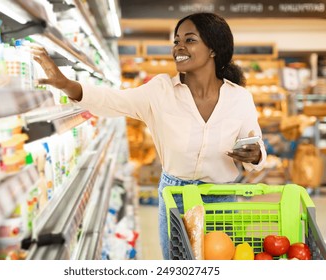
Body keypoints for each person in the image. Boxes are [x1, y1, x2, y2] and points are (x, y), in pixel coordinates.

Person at [31, 12, 267, 260]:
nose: (179, 47)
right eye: (176, 41)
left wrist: (255, 154)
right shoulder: (161, 90)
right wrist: (68, 84)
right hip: (176, 197)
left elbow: (256, 145)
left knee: (221, 266)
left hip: (221, 198)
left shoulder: (239, 98)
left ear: (213, 49)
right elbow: (114, 100)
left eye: (190, 40)